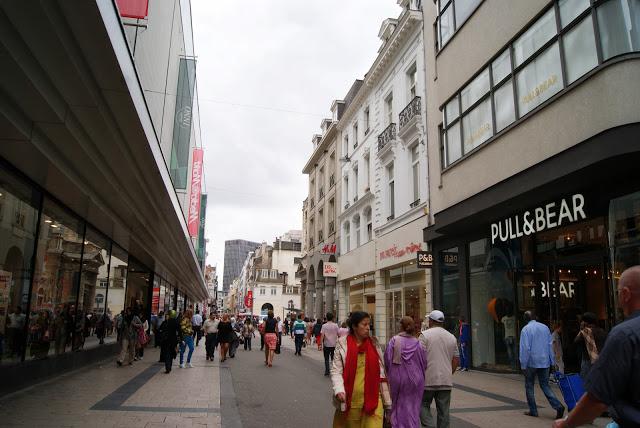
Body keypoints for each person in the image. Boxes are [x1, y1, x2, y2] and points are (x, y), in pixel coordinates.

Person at [553, 266, 640, 428]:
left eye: (618, 292)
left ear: (626, 294)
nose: (618, 298)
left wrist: (566, 424)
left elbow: (596, 399)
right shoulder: (609, 333)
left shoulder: (624, 334)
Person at [331, 311, 387, 428]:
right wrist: (339, 390)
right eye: (364, 324)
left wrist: (388, 400)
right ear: (354, 326)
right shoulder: (342, 344)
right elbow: (336, 371)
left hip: (374, 399)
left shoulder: (374, 344)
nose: (368, 328)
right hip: (350, 400)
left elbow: (382, 373)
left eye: (369, 324)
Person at [519, 310, 564, 419]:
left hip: (531, 362)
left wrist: (523, 365)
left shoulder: (526, 329)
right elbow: (550, 345)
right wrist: (552, 361)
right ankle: (558, 405)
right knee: (545, 385)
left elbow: (525, 349)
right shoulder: (545, 327)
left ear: (525, 319)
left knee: (529, 385)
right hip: (544, 361)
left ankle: (533, 410)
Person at [419, 310, 460, 428]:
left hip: (427, 379)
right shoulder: (451, 337)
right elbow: (456, 359)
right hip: (445, 381)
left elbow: (419, 357)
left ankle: (429, 425)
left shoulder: (424, 335)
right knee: (444, 412)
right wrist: (449, 372)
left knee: (422, 405)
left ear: (431, 321)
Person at [385, 316, 426, 428]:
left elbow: (388, 360)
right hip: (416, 380)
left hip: (398, 378)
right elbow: (424, 363)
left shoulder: (394, 341)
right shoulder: (418, 344)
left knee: (398, 405)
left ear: (401, 326)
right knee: (413, 406)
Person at [574, 312, 607, 382]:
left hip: (587, 361)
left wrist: (581, 329)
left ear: (585, 322)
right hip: (600, 361)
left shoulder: (586, 331)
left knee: (584, 384)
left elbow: (576, 341)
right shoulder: (602, 331)